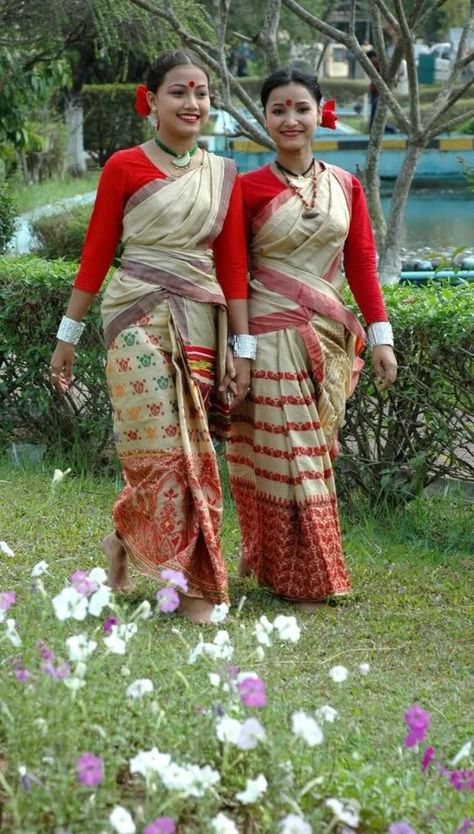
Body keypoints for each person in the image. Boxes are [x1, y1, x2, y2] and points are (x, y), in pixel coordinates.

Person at [50, 49, 254, 624]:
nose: (193, 103)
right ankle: (187, 582)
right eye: (179, 92)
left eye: (202, 93)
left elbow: (234, 266)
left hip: (201, 318)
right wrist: (68, 335)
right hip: (133, 314)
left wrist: (243, 348)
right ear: (152, 101)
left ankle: (137, 546)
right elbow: (95, 256)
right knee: (158, 452)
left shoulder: (222, 174)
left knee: (197, 452)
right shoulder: (123, 166)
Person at [227, 67, 397, 609]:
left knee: (315, 449)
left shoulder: (346, 184)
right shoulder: (245, 187)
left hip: (327, 338)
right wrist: (242, 351)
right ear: (266, 119)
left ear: (319, 113)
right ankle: (312, 576)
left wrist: (381, 336)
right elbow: (231, 271)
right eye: (278, 109)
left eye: (300, 107)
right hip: (268, 333)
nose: (290, 119)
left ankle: (271, 563)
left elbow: (362, 264)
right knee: (289, 453)